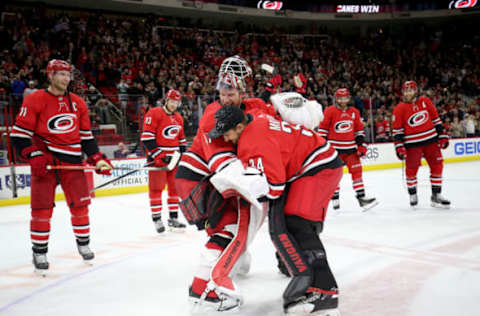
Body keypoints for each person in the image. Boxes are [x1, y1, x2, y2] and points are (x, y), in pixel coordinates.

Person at [210, 105, 343, 316]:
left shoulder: (252, 141)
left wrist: (245, 188)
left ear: (239, 126)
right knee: (287, 223)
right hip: (311, 164)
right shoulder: (256, 120)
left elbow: (275, 186)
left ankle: (324, 291)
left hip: (317, 167)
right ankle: (309, 282)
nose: (226, 140)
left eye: (227, 134)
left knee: (298, 223)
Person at [175, 55, 276, 312]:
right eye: (223, 92)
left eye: (231, 92)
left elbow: (261, 109)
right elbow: (225, 167)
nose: (226, 98)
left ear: (242, 90)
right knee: (227, 227)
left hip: (209, 177)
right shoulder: (213, 115)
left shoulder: (246, 105)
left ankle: (234, 263)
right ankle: (203, 287)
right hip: (199, 178)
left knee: (231, 225)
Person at [10, 59, 113, 275]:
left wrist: (97, 159)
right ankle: (39, 251)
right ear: (50, 76)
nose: (66, 79)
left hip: (72, 162)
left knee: (80, 207)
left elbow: (86, 137)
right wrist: (34, 155)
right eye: (61, 74)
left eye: (68, 75)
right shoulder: (35, 99)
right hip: (45, 164)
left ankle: (83, 244)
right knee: (41, 209)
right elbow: (19, 136)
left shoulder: (78, 103)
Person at [392, 80, 450, 208]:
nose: (408, 93)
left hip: (431, 141)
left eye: (411, 90)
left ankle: (436, 195)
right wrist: (399, 146)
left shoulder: (425, 101)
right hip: (412, 144)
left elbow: (436, 119)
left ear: (415, 91)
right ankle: (413, 194)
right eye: (406, 90)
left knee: (437, 166)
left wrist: (442, 135)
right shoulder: (399, 108)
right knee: (411, 170)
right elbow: (397, 131)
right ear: (403, 92)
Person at [318, 88, 378, 211]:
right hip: (335, 150)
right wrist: (323, 147)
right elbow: (323, 130)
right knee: (335, 175)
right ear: (336, 99)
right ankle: (335, 199)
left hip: (351, 149)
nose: (343, 100)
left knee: (357, 173)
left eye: (345, 97)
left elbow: (359, 131)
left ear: (349, 98)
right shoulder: (330, 111)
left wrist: (361, 145)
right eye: (340, 98)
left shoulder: (354, 112)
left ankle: (362, 198)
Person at [141, 89, 187, 233]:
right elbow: (147, 138)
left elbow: (181, 139)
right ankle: (157, 219)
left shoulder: (179, 118)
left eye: (176, 102)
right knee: (156, 189)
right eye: (172, 101)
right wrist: (158, 155)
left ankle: (173, 219)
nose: (174, 105)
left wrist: (183, 155)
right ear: (166, 100)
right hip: (157, 159)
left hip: (173, 159)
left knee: (174, 189)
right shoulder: (154, 113)